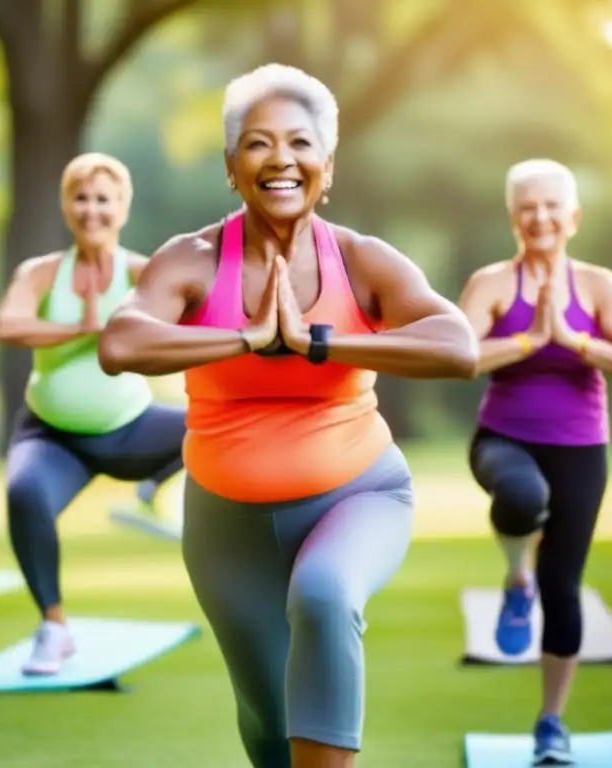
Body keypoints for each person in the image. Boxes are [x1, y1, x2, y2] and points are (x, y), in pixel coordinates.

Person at [98, 64, 477, 768]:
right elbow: (121, 343)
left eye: (300, 144)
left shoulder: (362, 260)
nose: (281, 160)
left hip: (358, 494)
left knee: (327, 593)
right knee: (270, 722)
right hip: (224, 525)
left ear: (325, 168)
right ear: (231, 167)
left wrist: (322, 342)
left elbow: (457, 345)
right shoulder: (193, 260)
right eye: (258, 144)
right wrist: (245, 338)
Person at [458, 158, 612, 765]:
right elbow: (457, 355)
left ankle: (551, 723)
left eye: (551, 206)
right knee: (519, 497)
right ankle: (516, 575)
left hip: (580, 448)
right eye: (527, 207)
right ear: (513, 217)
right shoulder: (492, 282)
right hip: (503, 439)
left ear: (573, 217)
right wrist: (526, 339)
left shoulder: (598, 286)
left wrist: (572, 340)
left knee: (563, 587)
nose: (539, 217)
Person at [0, 152, 186, 676]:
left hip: (131, 431)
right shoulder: (40, 273)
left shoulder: (144, 272)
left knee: (208, 423)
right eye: (81, 197)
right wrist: (86, 329)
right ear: (66, 206)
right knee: (25, 494)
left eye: (104, 199)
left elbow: (192, 323)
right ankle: (53, 627)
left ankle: (151, 493)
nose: (92, 209)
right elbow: (8, 326)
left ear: (122, 208)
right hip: (52, 438)